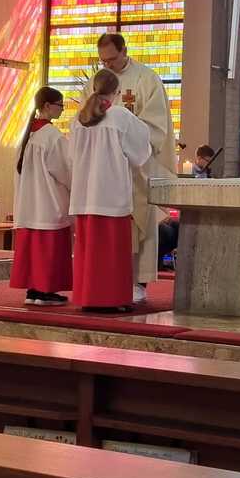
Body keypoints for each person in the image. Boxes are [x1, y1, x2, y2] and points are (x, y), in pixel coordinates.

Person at [80, 33, 176, 300]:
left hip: (136, 169)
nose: (107, 65)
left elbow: (156, 127)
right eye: (103, 61)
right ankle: (107, 280)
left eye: (111, 59)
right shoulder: (96, 81)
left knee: (138, 224)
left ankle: (137, 282)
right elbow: (84, 122)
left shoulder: (147, 79)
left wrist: (125, 144)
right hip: (104, 171)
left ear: (124, 51)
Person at [69, 68, 151, 311]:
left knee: (89, 252)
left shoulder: (79, 119)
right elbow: (140, 152)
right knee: (111, 253)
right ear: (116, 91)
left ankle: (88, 298)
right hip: (110, 194)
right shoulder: (120, 116)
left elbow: (71, 157)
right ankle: (110, 300)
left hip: (85, 195)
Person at [10, 86, 72, 305]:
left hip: (29, 203)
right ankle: (45, 291)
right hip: (48, 202)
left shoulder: (28, 134)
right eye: (60, 105)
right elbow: (66, 170)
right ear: (47, 106)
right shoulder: (51, 136)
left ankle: (33, 291)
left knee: (33, 250)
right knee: (47, 250)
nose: (62, 110)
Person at [158, 144, 215, 268]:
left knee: (179, 228)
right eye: (207, 160)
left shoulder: (208, 173)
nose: (209, 164)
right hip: (182, 211)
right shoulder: (189, 172)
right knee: (172, 230)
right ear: (199, 158)